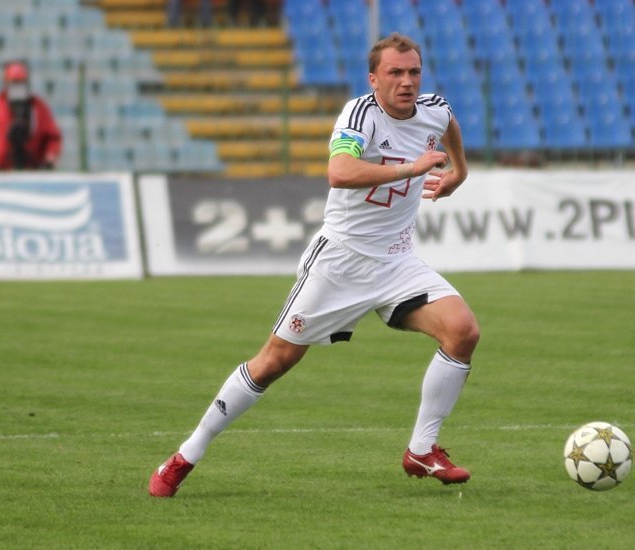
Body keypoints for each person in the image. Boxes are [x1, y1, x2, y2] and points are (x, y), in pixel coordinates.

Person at [148, 32, 479, 497]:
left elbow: (449, 125)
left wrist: (458, 172)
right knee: (273, 362)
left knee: (463, 331)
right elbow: (339, 172)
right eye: (395, 73)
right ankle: (186, 455)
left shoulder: (434, 108)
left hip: (398, 262)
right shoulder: (359, 115)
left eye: (413, 72)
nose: (406, 81)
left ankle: (422, 450)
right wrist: (411, 168)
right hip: (340, 262)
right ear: (374, 79)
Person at [0, 61, 62, 172]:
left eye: (21, 83)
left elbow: (52, 137)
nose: (17, 87)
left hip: (32, 170)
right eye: (14, 83)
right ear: (6, 83)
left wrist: (50, 156)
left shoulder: (38, 107)